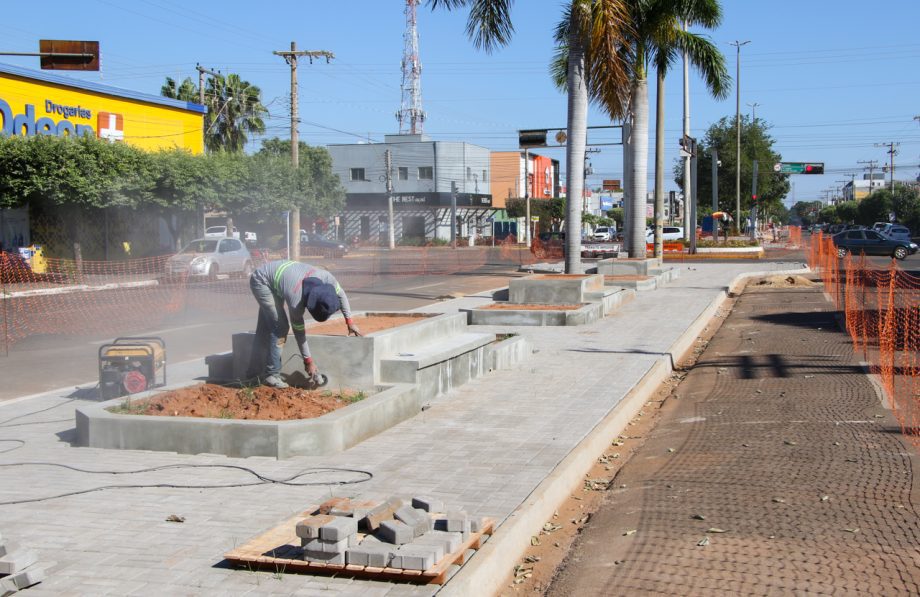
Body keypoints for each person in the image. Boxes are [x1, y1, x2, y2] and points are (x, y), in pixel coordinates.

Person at [248, 260, 361, 388]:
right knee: (280, 327)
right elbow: (299, 334)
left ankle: (253, 372)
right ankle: (272, 375)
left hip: (277, 276)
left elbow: (341, 294)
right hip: (262, 281)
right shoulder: (296, 300)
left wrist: (350, 321)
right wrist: (308, 361)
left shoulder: (327, 278)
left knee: (266, 326)